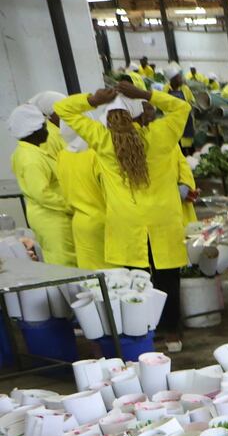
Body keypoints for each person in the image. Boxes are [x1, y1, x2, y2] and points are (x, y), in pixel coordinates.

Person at [58, 82, 188, 332]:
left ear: (107, 118)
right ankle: (171, 333)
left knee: (135, 282)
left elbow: (63, 109)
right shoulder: (161, 135)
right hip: (163, 220)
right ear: (140, 112)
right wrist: (144, 93)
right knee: (167, 279)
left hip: (126, 224)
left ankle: (141, 331)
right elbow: (181, 107)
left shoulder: (102, 141)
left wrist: (93, 100)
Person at [8, 105, 74, 265]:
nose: (47, 131)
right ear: (33, 131)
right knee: (63, 263)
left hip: (54, 214)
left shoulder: (32, 152)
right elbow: (42, 194)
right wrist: (71, 205)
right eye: (44, 127)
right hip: (51, 218)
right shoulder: (31, 159)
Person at [55, 110, 105, 268]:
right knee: (113, 278)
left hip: (79, 222)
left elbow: (63, 189)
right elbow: (109, 191)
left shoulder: (62, 156)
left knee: (91, 277)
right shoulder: (95, 155)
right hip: (103, 222)